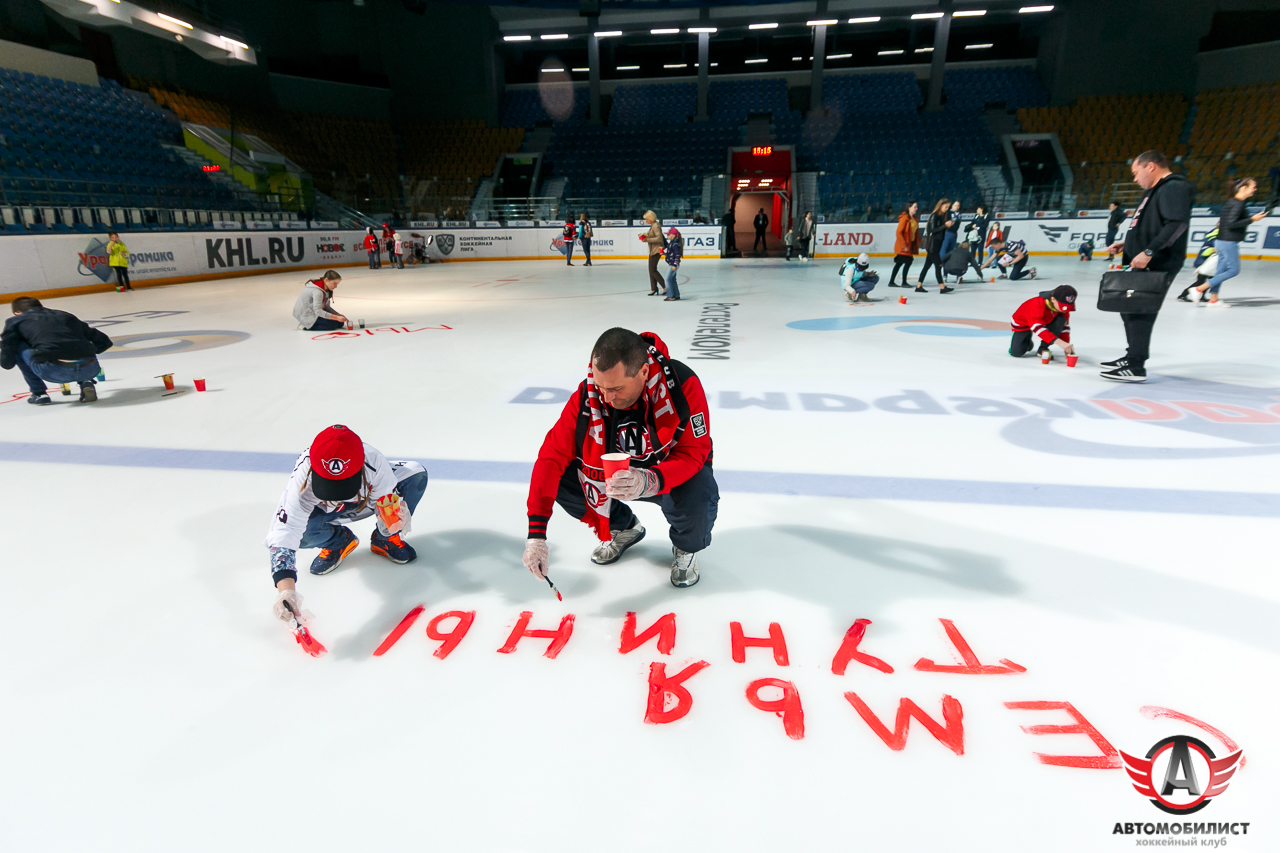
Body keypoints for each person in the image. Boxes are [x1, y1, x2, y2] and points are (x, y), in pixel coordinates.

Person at [522, 328, 717, 589]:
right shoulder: (588, 394)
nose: (606, 397)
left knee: (699, 490)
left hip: (665, 473)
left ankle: (685, 546)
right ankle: (624, 527)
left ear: (644, 372)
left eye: (616, 388)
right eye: (601, 386)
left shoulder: (681, 384)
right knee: (561, 476)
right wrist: (536, 536)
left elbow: (694, 452)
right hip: (612, 476)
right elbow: (550, 457)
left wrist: (649, 480)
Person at [265, 425, 427, 626]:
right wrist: (286, 592)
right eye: (328, 483)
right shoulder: (302, 475)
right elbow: (285, 531)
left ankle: (384, 540)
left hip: (367, 498)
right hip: (326, 511)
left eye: (342, 483)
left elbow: (385, 504)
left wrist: (392, 523)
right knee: (301, 535)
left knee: (416, 475)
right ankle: (338, 541)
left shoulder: (374, 461)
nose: (337, 494)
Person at [1101, 150, 1195, 382]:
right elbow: (1152, 226)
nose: (1135, 179)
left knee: (1140, 309)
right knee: (1129, 307)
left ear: (1150, 166)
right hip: (1143, 259)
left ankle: (1136, 366)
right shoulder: (1155, 191)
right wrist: (1128, 243)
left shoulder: (1174, 187)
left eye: (1136, 172)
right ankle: (1132, 355)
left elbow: (1176, 224)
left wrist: (1150, 251)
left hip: (1157, 261)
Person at [1, 296, 111, 405]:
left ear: (17, 313)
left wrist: (6, 362)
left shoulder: (15, 321)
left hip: (52, 371)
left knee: (17, 344)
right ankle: (86, 381)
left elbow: (8, 352)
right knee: (75, 342)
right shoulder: (66, 316)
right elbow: (104, 342)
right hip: (90, 368)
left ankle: (39, 393)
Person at [1188, 177, 1266, 307]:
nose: (1255, 189)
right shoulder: (1237, 203)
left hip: (1221, 241)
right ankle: (1199, 289)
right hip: (1228, 242)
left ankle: (1213, 299)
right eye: (1253, 187)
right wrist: (1252, 219)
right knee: (1233, 270)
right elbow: (1231, 223)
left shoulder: (1232, 201)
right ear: (1243, 188)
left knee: (1220, 271)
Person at [1009, 286, 1077, 360]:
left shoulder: (1063, 310)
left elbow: (1065, 328)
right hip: (1022, 324)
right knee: (1016, 353)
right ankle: (1026, 341)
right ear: (1053, 299)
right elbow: (1037, 328)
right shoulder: (1037, 304)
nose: (1065, 310)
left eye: (1068, 306)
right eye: (1063, 306)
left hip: (1045, 321)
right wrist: (1060, 343)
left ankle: (1043, 348)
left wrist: (1066, 345)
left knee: (1061, 320)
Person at [916, 198, 950, 292]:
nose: (947, 209)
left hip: (936, 245)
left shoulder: (942, 216)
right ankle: (942, 287)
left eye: (948, 207)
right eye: (946, 206)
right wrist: (945, 226)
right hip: (933, 245)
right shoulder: (935, 216)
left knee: (926, 266)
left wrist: (946, 226)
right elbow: (931, 230)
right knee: (938, 266)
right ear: (940, 206)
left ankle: (918, 286)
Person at [1178, 226, 1219, 302]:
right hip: (1204, 263)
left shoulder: (1214, 234)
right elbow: (1206, 251)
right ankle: (1183, 294)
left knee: (1208, 281)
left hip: (1207, 262)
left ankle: (1201, 296)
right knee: (1201, 282)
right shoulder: (1215, 237)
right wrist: (1215, 249)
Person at [889, 201, 919, 287]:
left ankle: (892, 282)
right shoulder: (904, 218)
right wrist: (903, 245)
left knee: (900, 263)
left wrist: (918, 241)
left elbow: (914, 233)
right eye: (915, 207)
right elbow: (899, 232)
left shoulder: (914, 219)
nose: (916, 208)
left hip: (909, 245)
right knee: (906, 262)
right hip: (904, 246)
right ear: (909, 208)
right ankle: (902, 282)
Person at [641, 210, 666, 295]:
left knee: (653, 270)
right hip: (653, 250)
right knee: (651, 269)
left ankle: (665, 286)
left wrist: (647, 240)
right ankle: (654, 288)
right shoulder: (653, 226)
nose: (646, 221)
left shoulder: (656, 226)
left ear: (650, 218)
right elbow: (651, 234)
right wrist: (643, 236)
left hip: (657, 250)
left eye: (647, 219)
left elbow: (659, 238)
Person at [664, 227, 683, 301]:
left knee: (667, 279)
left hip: (673, 264)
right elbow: (672, 253)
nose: (667, 236)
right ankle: (676, 295)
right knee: (672, 279)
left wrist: (675, 264)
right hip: (672, 263)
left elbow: (677, 255)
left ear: (673, 235)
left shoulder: (675, 244)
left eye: (669, 234)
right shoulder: (672, 243)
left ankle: (670, 295)